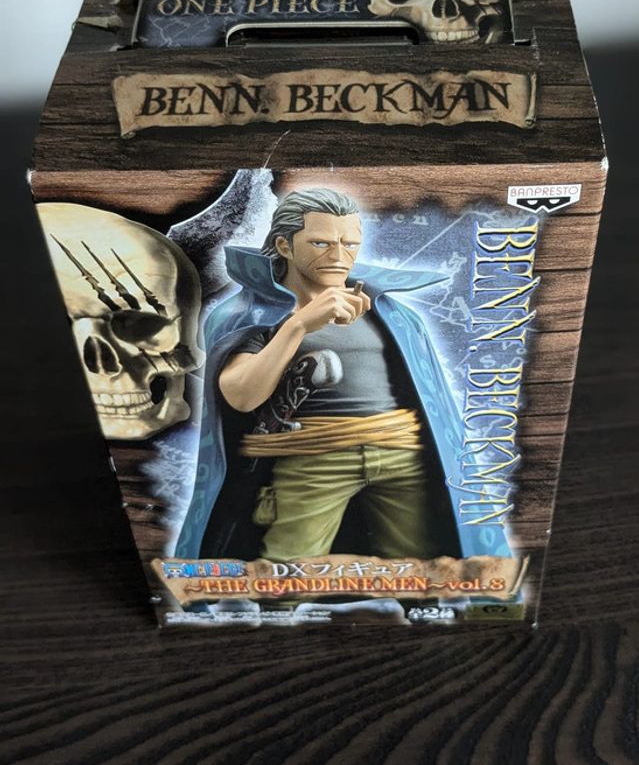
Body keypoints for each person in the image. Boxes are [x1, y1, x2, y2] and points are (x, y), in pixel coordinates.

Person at [175, 188, 511, 563]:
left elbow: (430, 398)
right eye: (320, 243)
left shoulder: (392, 313)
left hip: (402, 453)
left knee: (422, 570)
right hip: (312, 458)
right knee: (285, 572)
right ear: (285, 245)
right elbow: (240, 396)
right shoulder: (255, 314)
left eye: (349, 244)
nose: (338, 256)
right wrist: (298, 325)